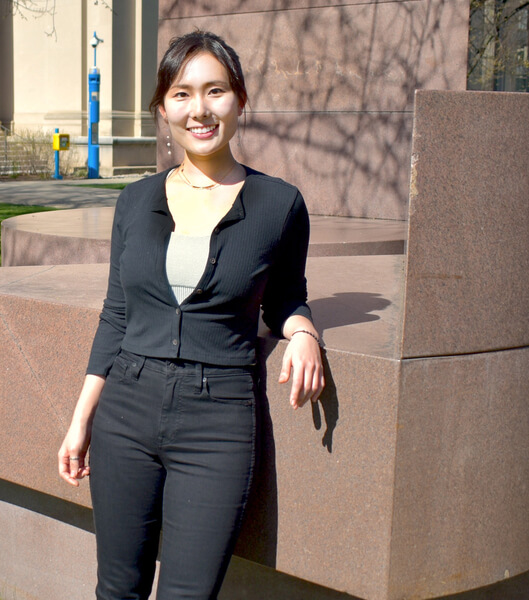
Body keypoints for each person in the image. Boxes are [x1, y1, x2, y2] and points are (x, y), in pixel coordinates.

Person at [58, 30, 324, 599]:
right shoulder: (134, 201)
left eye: (215, 91)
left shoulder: (280, 204)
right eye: (182, 94)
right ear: (162, 109)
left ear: (240, 101)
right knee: (117, 589)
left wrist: (302, 332)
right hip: (125, 412)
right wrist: (82, 420)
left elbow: (285, 297)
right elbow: (116, 314)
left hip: (218, 420)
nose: (199, 110)